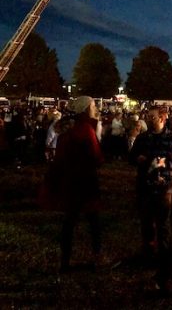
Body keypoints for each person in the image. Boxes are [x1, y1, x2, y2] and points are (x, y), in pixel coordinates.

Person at [129, 106, 172, 291]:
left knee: (163, 224)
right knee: (146, 222)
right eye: (148, 116)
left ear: (162, 118)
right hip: (144, 186)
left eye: (152, 117)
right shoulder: (143, 138)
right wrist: (138, 159)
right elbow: (131, 156)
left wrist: (167, 163)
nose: (148, 119)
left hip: (163, 188)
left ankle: (163, 257)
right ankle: (148, 254)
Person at [50, 96, 104, 273]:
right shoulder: (85, 129)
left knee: (69, 222)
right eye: (93, 106)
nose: (96, 109)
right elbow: (96, 157)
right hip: (86, 180)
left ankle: (64, 262)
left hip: (70, 180)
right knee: (94, 221)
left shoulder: (69, 127)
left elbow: (60, 156)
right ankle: (97, 258)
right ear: (86, 109)